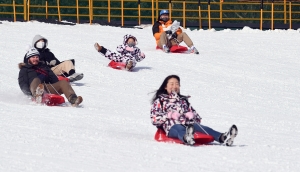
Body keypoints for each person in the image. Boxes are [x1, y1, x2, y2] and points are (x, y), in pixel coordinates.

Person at [150, 75, 238, 146]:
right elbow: (154, 119)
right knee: (179, 128)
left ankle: (223, 137)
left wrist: (191, 115)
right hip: (171, 126)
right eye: (172, 84)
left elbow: (198, 118)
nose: (174, 86)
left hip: (189, 125)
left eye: (177, 84)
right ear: (165, 86)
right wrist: (169, 115)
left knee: (204, 128)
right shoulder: (160, 101)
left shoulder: (183, 101)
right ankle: (186, 137)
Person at [19, 47, 83, 106]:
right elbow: (23, 84)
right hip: (33, 88)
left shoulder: (44, 67)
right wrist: (29, 95)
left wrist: (49, 75)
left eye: (37, 57)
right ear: (28, 59)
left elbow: (54, 80)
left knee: (63, 82)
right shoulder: (25, 69)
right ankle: (37, 96)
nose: (35, 59)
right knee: (36, 80)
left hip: (45, 87)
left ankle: (73, 99)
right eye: (33, 57)